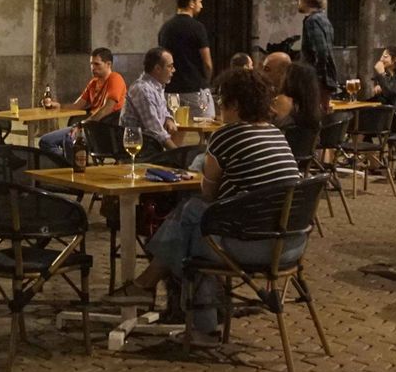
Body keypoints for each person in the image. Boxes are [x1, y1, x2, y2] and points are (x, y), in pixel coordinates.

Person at [107, 68, 303, 340]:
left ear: (234, 104)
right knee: (196, 226)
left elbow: (207, 193)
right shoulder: (275, 134)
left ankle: (151, 288)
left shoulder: (227, 136)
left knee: (194, 217)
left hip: (251, 247)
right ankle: (198, 322)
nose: (219, 107)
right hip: (290, 245)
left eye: (222, 101)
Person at [38, 48, 128, 157]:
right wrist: (58, 106)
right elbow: (77, 105)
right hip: (88, 127)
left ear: (108, 64)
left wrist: (82, 125)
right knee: (45, 141)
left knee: (70, 140)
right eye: (91, 64)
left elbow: (106, 109)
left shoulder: (115, 78)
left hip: (105, 131)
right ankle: (70, 162)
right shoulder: (93, 83)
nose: (93, 68)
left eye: (97, 64)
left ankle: (74, 165)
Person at [159, 0, 214, 119]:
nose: (201, 5)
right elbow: (207, 63)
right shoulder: (197, 27)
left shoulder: (165, 28)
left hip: (171, 90)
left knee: (176, 128)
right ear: (191, 3)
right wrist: (206, 82)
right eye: (199, 1)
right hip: (194, 88)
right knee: (207, 125)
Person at [120, 47, 179, 152]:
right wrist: (176, 153)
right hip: (140, 150)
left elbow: (162, 110)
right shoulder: (143, 90)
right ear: (157, 69)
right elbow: (155, 130)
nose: (174, 70)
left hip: (151, 146)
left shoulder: (156, 86)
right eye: (170, 66)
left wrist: (168, 119)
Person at [296, 0, 339, 95]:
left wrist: (316, 76)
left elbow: (321, 51)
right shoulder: (324, 19)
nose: (297, 2)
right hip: (328, 77)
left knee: (314, 109)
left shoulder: (312, 20)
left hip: (318, 80)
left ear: (307, 0)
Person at [272, 61, 324, 131]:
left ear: (289, 79)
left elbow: (271, 127)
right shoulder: (316, 107)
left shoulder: (282, 100)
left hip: (281, 140)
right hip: (305, 142)